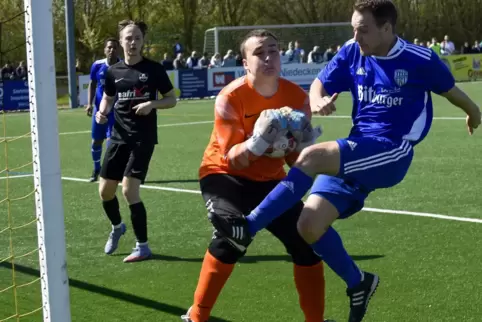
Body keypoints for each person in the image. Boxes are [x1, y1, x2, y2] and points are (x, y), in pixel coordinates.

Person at [207, 1, 482, 321]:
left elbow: (452, 91)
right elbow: (320, 83)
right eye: (353, 28)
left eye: (363, 29)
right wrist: (317, 99)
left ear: (386, 29)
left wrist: (474, 113)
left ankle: (248, 227)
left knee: (310, 156)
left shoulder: (420, 59)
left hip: (392, 151)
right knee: (308, 225)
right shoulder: (352, 50)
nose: (356, 35)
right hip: (357, 148)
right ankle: (358, 281)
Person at [181, 29, 331, 322]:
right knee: (233, 237)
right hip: (223, 175)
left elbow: (292, 161)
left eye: (273, 50)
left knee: (308, 241)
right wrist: (259, 140)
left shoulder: (297, 99)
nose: (268, 57)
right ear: (245, 62)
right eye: (259, 53)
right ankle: (197, 316)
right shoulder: (229, 97)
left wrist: (302, 145)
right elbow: (232, 160)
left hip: (270, 180)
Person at [95, 19, 177, 263]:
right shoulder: (112, 72)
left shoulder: (154, 70)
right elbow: (108, 99)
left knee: (129, 190)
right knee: (105, 192)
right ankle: (118, 226)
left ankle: (143, 246)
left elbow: (171, 99)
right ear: (120, 42)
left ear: (143, 41)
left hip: (143, 139)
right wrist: (102, 112)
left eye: (137, 38)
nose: (133, 42)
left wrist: (152, 104)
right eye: (128, 38)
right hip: (118, 138)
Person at [86, 38, 120, 182]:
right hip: (99, 111)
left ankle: (110, 172)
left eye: (114, 48)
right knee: (96, 141)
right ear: (105, 50)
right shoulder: (97, 65)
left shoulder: (123, 66)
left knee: (111, 142)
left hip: (116, 111)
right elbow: (92, 84)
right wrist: (89, 104)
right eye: (109, 47)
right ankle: (96, 169)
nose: (112, 50)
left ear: (118, 50)